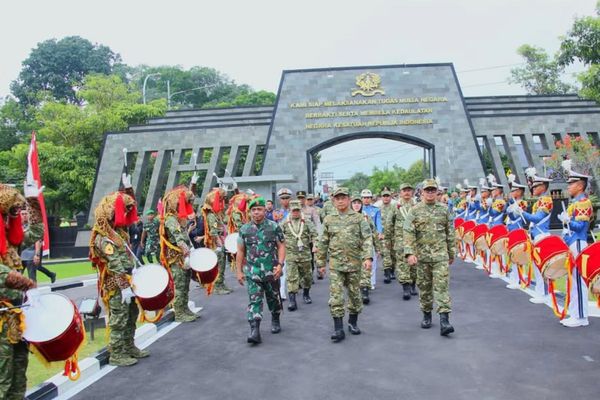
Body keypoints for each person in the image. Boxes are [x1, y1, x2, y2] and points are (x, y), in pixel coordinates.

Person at [89, 174, 148, 366]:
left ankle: (129, 346)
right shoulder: (103, 238)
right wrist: (124, 286)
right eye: (120, 211)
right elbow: (114, 265)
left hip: (127, 282)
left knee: (131, 315)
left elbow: (132, 217)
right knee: (119, 319)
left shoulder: (119, 232)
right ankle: (117, 353)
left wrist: (129, 190)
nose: (124, 214)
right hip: (116, 285)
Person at [317, 187, 373, 342]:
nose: (340, 200)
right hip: (336, 265)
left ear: (349, 199)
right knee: (336, 297)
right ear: (333, 200)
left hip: (355, 264)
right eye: (337, 198)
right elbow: (323, 242)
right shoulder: (329, 219)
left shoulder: (358, 218)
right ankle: (338, 328)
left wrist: (368, 258)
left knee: (355, 296)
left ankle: (353, 322)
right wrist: (320, 263)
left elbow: (367, 238)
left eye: (343, 198)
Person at [404, 179, 455, 336]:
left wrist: (451, 252)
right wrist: (410, 253)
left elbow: (450, 232)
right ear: (422, 192)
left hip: (440, 256)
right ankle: (426, 314)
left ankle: (444, 321)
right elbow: (408, 232)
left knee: (442, 288)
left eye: (433, 190)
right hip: (422, 257)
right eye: (428, 190)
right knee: (425, 289)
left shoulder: (444, 210)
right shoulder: (415, 210)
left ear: (437, 192)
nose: (430, 193)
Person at [236, 197, 285, 344]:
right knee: (254, 301)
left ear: (265, 210)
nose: (256, 212)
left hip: (271, 271)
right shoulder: (244, 229)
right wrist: (239, 271)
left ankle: (275, 319)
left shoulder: (273, 226)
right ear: (250, 212)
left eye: (259, 209)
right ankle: (254, 331)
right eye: (253, 210)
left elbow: (282, 246)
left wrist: (280, 265)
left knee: (274, 299)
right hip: (253, 272)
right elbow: (240, 251)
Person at [160, 176, 199, 322]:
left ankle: (184, 308)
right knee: (179, 286)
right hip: (177, 259)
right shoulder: (171, 219)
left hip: (184, 257)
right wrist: (187, 251)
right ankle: (179, 312)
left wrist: (193, 184)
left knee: (185, 284)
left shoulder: (178, 219)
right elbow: (178, 238)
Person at [557, 165, 593, 327]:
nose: (568, 186)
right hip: (572, 243)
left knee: (578, 281)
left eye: (571, 184)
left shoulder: (584, 202)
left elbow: (580, 227)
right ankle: (575, 313)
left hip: (578, 243)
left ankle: (581, 317)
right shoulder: (576, 202)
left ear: (580, 185)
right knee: (572, 280)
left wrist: (567, 220)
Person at [0, 263, 36, 399]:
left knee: (19, 372)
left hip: (16, 326)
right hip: (3, 330)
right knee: (4, 379)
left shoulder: (10, 260)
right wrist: (26, 286)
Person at [518, 169, 552, 304]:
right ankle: (541, 292)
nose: (533, 188)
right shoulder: (540, 200)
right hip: (536, 236)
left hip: (542, 236)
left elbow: (537, 218)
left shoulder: (546, 200)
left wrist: (522, 212)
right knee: (537, 266)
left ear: (543, 186)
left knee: (542, 266)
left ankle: (545, 293)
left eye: (536, 186)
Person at [281, 200, 317, 310]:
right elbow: (279, 237)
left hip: (305, 254)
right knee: (291, 278)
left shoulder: (306, 221)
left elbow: (314, 234)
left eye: (297, 210)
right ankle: (292, 301)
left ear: (300, 210)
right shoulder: (285, 222)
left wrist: (315, 245)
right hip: (291, 254)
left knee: (307, 277)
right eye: (293, 211)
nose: (295, 213)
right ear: (290, 211)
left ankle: (306, 294)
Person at [386, 183, 418, 300]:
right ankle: (406, 287)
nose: (407, 192)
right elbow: (389, 223)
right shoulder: (395, 207)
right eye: (404, 190)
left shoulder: (417, 206)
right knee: (402, 264)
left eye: (409, 190)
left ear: (412, 192)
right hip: (400, 240)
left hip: (414, 241)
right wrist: (388, 239)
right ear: (400, 192)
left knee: (414, 265)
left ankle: (413, 285)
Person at [201, 187, 232, 295]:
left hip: (221, 241)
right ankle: (218, 286)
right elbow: (213, 232)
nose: (221, 202)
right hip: (216, 244)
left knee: (222, 266)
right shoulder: (211, 216)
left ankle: (221, 284)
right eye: (220, 200)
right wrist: (219, 244)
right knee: (219, 266)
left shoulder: (216, 214)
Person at [350, 194, 379, 305]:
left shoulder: (366, 217)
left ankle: (365, 291)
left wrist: (377, 248)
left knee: (366, 269)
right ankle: (355, 290)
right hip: (351, 248)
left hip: (365, 247)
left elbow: (374, 232)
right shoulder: (346, 217)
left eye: (358, 203)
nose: (356, 205)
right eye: (354, 203)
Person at [505, 180, 528, 290]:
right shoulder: (513, 203)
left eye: (514, 190)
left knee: (518, 256)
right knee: (512, 255)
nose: (512, 192)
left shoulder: (522, 203)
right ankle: (514, 278)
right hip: (511, 231)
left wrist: (511, 211)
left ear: (519, 192)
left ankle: (520, 279)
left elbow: (515, 218)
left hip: (517, 230)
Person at [360, 189, 382, 289]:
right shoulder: (357, 210)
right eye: (364, 198)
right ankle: (361, 281)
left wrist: (380, 233)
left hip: (371, 238)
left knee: (372, 260)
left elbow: (378, 223)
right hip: (359, 239)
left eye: (368, 197)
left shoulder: (375, 210)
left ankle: (371, 282)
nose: (366, 200)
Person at [274, 188, 292, 300]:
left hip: (294, 244)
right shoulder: (277, 213)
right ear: (280, 200)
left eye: (287, 198)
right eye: (283, 198)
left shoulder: (295, 211)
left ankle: (293, 289)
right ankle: (282, 292)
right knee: (283, 268)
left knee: (293, 269)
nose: (285, 200)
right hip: (281, 244)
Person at [379, 187, 397, 284]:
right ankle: (387, 273)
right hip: (384, 236)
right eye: (384, 196)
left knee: (393, 255)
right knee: (386, 254)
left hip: (394, 235)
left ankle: (392, 270)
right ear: (381, 197)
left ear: (390, 197)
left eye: (387, 196)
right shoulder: (378, 209)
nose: (386, 198)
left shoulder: (394, 208)